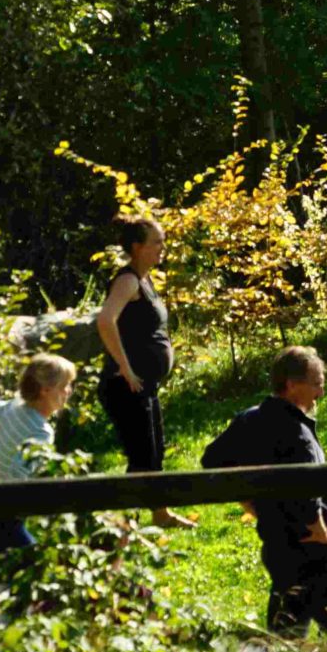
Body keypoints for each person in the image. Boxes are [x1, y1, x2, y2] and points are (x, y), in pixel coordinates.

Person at [201, 344, 327, 634]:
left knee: (286, 638)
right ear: (291, 385)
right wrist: (319, 527)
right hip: (321, 553)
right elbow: (307, 486)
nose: (320, 393)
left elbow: (212, 460)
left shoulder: (249, 420)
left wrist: (247, 501)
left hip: (279, 548)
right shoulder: (298, 434)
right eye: (316, 385)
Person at [96, 216, 194, 528]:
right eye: (156, 243)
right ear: (137, 248)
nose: (162, 248)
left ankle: (159, 514)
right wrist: (125, 368)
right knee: (141, 459)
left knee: (154, 453)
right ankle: (119, 527)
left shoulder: (145, 279)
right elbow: (105, 320)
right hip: (124, 385)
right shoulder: (127, 281)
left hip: (143, 383)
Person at [0, 353, 76, 555]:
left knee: (18, 572)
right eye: (64, 386)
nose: (69, 391)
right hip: (2, 515)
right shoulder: (41, 432)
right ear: (45, 390)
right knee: (31, 568)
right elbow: (19, 476)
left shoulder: (14, 406)